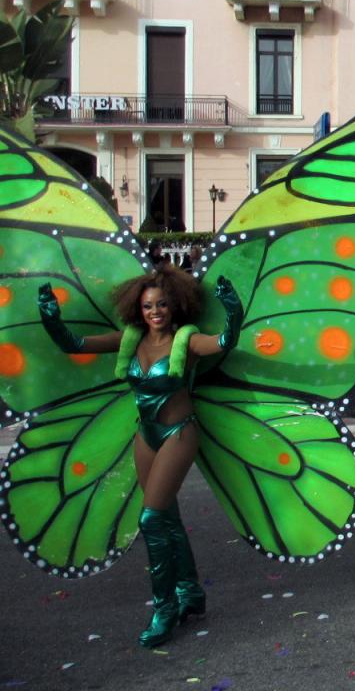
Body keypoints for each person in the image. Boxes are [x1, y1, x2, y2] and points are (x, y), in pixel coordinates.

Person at [36, 266, 243, 647]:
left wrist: (234, 311)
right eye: (148, 305)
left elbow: (224, 342)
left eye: (162, 304)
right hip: (145, 435)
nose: (156, 311)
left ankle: (165, 609)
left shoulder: (187, 340)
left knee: (150, 518)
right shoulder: (131, 340)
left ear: (175, 305)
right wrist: (51, 318)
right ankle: (190, 592)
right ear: (139, 309)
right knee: (168, 517)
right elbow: (74, 344)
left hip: (179, 433)